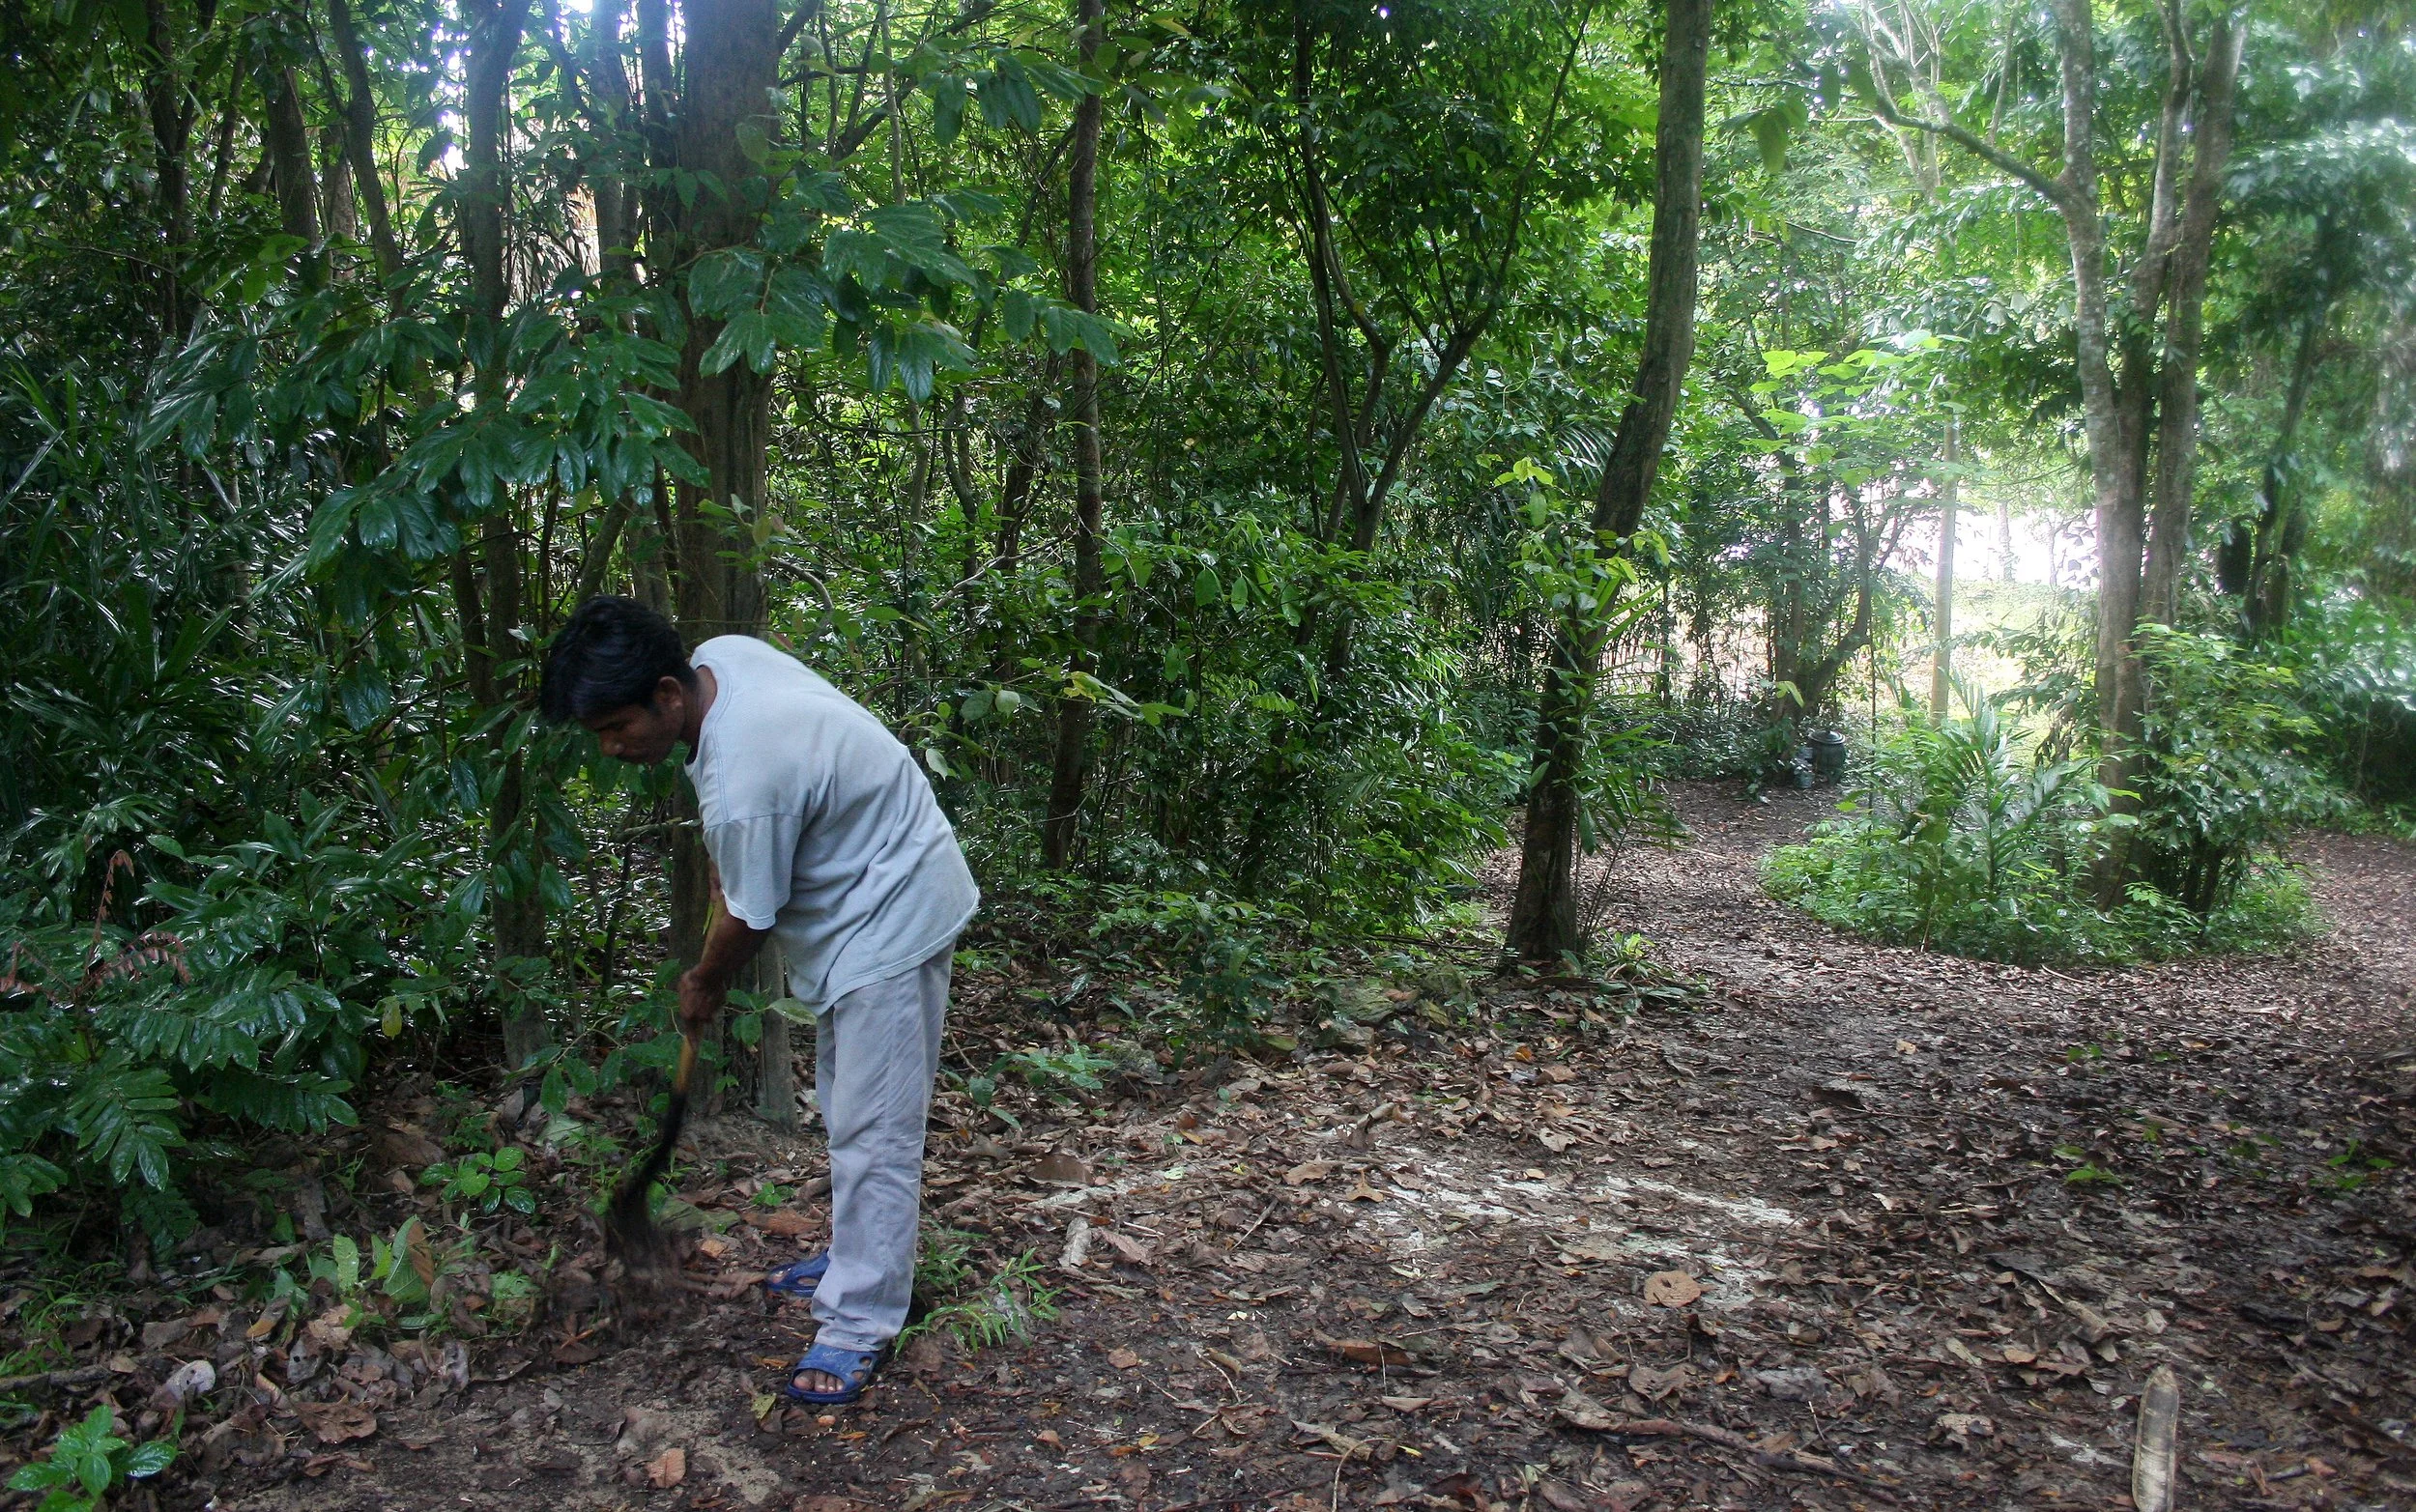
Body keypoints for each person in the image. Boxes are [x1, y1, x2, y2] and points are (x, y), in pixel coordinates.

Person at [538, 596, 979, 1405]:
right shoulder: (721, 660)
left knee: (876, 1127)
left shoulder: (748, 772)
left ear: (667, 694)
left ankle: (862, 1318)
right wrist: (729, 864)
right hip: (859, 891)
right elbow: (748, 837)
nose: (610, 746)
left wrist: (705, 980)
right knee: (851, 1106)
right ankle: (858, 1256)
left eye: (617, 726)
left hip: (896, 904)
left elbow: (749, 914)